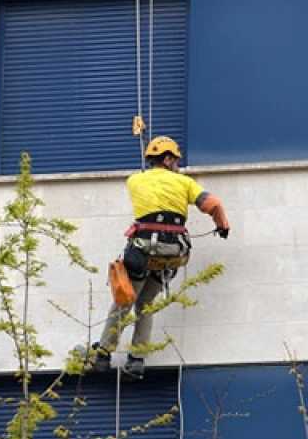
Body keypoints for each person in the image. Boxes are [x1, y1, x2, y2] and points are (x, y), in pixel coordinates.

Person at [85, 136, 230, 379]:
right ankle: (137, 360)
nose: (177, 166)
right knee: (147, 304)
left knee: (124, 300)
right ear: (167, 158)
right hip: (173, 254)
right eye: (175, 161)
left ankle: (103, 355)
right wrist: (222, 225)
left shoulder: (134, 181)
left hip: (142, 252)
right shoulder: (185, 183)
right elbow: (213, 204)